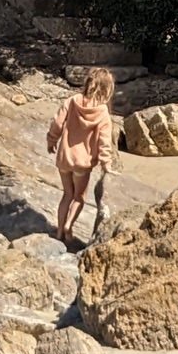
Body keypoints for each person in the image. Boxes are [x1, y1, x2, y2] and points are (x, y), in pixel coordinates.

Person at [47, 66, 117, 246]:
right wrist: (106, 163)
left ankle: (59, 232)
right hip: (83, 163)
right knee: (79, 197)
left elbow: (57, 123)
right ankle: (69, 225)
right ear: (107, 89)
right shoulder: (102, 112)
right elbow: (104, 141)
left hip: (65, 157)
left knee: (67, 194)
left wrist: (51, 140)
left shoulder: (72, 101)